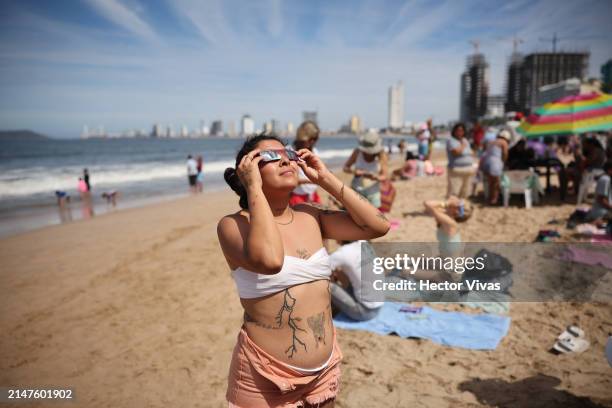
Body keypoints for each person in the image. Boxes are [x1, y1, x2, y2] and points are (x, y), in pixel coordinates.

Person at [218, 134, 390, 407]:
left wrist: (325, 179)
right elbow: (270, 261)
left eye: (287, 153)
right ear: (248, 170)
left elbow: (378, 226)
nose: (285, 159)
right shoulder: (233, 225)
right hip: (265, 377)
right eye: (271, 156)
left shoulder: (311, 215)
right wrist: (253, 189)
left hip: (324, 370)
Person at [329, 241, 383, 321]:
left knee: (326, 284)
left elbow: (318, 271)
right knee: (341, 271)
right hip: (378, 306)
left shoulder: (341, 254)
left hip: (364, 312)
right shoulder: (364, 243)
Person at [343, 131, 388, 208]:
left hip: (373, 192)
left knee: (373, 216)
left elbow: (385, 176)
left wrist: (375, 177)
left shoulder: (381, 155)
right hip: (356, 190)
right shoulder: (357, 152)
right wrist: (354, 171)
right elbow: (345, 168)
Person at [290, 121, 321, 205]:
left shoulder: (314, 152)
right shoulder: (290, 153)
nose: (313, 142)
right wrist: (313, 180)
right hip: (297, 196)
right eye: (312, 139)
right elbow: (293, 180)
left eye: (315, 140)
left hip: (312, 194)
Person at [480, 130, 510, 205]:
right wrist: (504, 162)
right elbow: (505, 154)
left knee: (491, 183)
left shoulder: (492, 141)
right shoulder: (503, 142)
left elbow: (484, 152)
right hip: (495, 163)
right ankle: (494, 200)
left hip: (486, 162)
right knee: (496, 183)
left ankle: (490, 199)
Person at [446, 123, 474, 198]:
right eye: (458, 130)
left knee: (465, 192)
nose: (460, 132)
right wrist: (463, 146)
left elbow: (471, 152)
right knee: (454, 192)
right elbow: (456, 152)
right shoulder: (451, 140)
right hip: (456, 169)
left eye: (461, 130)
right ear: (454, 131)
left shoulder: (465, 140)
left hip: (468, 169)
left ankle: (461, 208)